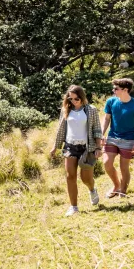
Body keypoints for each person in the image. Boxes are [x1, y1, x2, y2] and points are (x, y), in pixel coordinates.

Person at [50, 85, 102, 216]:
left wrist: (98, 147)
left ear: (82, 97)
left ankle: (92, 189)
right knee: (70, 176)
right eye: (70, 98)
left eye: (76, 98)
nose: (73, 101)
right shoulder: (65, 110)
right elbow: (60, 130)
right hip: (70, 147)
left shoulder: (91, 110)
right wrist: (55, 147)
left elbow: (97, 129)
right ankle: (73, 207)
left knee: (85, 178)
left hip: (86, 148)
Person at [102, 78, 134, 198]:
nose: (113, 90)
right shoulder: (111, 102)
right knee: (107, 163)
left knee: (124, 167)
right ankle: (116, 185)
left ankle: (123, 190)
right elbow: (107, 119)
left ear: (125, 90)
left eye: (116, 88)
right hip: (112, 137)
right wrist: (101, 134)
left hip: (129, 140)